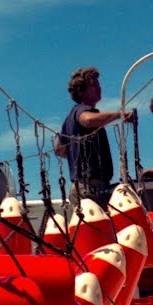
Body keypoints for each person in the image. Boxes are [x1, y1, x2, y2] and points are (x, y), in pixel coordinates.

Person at [56, 67, 135, 206]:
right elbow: (88, 120)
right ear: (81, 91)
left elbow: (59, 150)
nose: (98, 88)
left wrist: (78, 153)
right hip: (90, 188)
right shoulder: (83, 110)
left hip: (80, 187)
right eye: (93, 85)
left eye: (98, 85)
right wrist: (120, 115)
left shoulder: (69, 118)